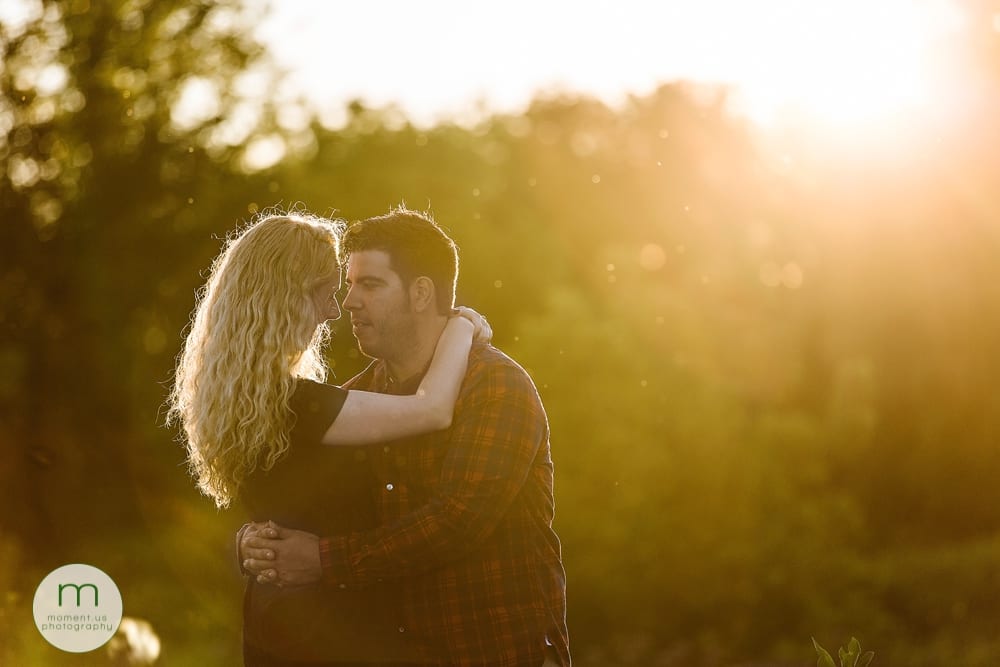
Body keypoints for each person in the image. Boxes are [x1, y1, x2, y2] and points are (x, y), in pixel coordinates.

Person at [242, 207, 570, 667]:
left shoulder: (496, 386)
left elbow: (457, 522)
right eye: (349, 284)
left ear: (420, 294)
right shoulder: (357, 398)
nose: (350, 302)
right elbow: (300, 496)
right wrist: (255, 541)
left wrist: (323, 560)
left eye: (370, 285)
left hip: (493, 651)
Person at [166, 211, 491, 666]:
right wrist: (462, 325)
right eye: (324, 294)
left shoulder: (243, 402)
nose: (335, 311)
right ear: (285, 298)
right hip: (328, 633)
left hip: (276, 624)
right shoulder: (300, 405)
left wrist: (244, 543)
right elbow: (431, 409)